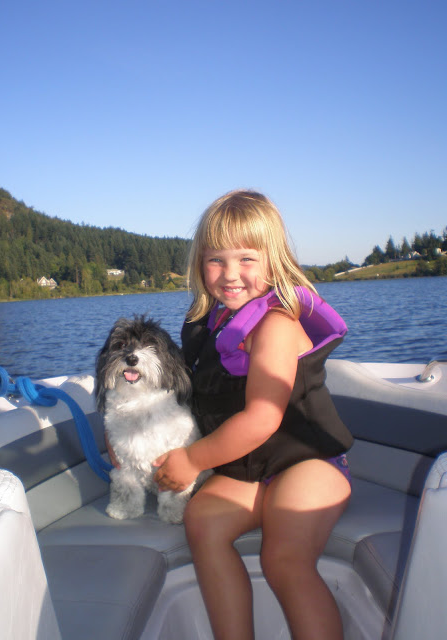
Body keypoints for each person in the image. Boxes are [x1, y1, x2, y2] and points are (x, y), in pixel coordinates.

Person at [152, 190, 354, 640]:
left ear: (273, 260)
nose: (230, 274)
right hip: (249, 467)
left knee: (283, 560)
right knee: (202, 520)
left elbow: (263, 417)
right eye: (216, 260)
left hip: (309, 462)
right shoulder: (214, 322)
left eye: (246, 259)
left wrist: (192, 460)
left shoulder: (277, 325)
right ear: (199, 264)